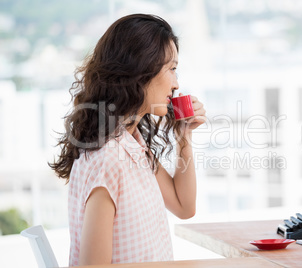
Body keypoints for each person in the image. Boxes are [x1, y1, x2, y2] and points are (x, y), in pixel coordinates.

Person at [49, 14, 206, 266]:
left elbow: (184, 207)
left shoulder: (131, 143)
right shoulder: (109, 158)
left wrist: (184, 135)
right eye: (172, 69)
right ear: (141, 71)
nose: (176, 84)